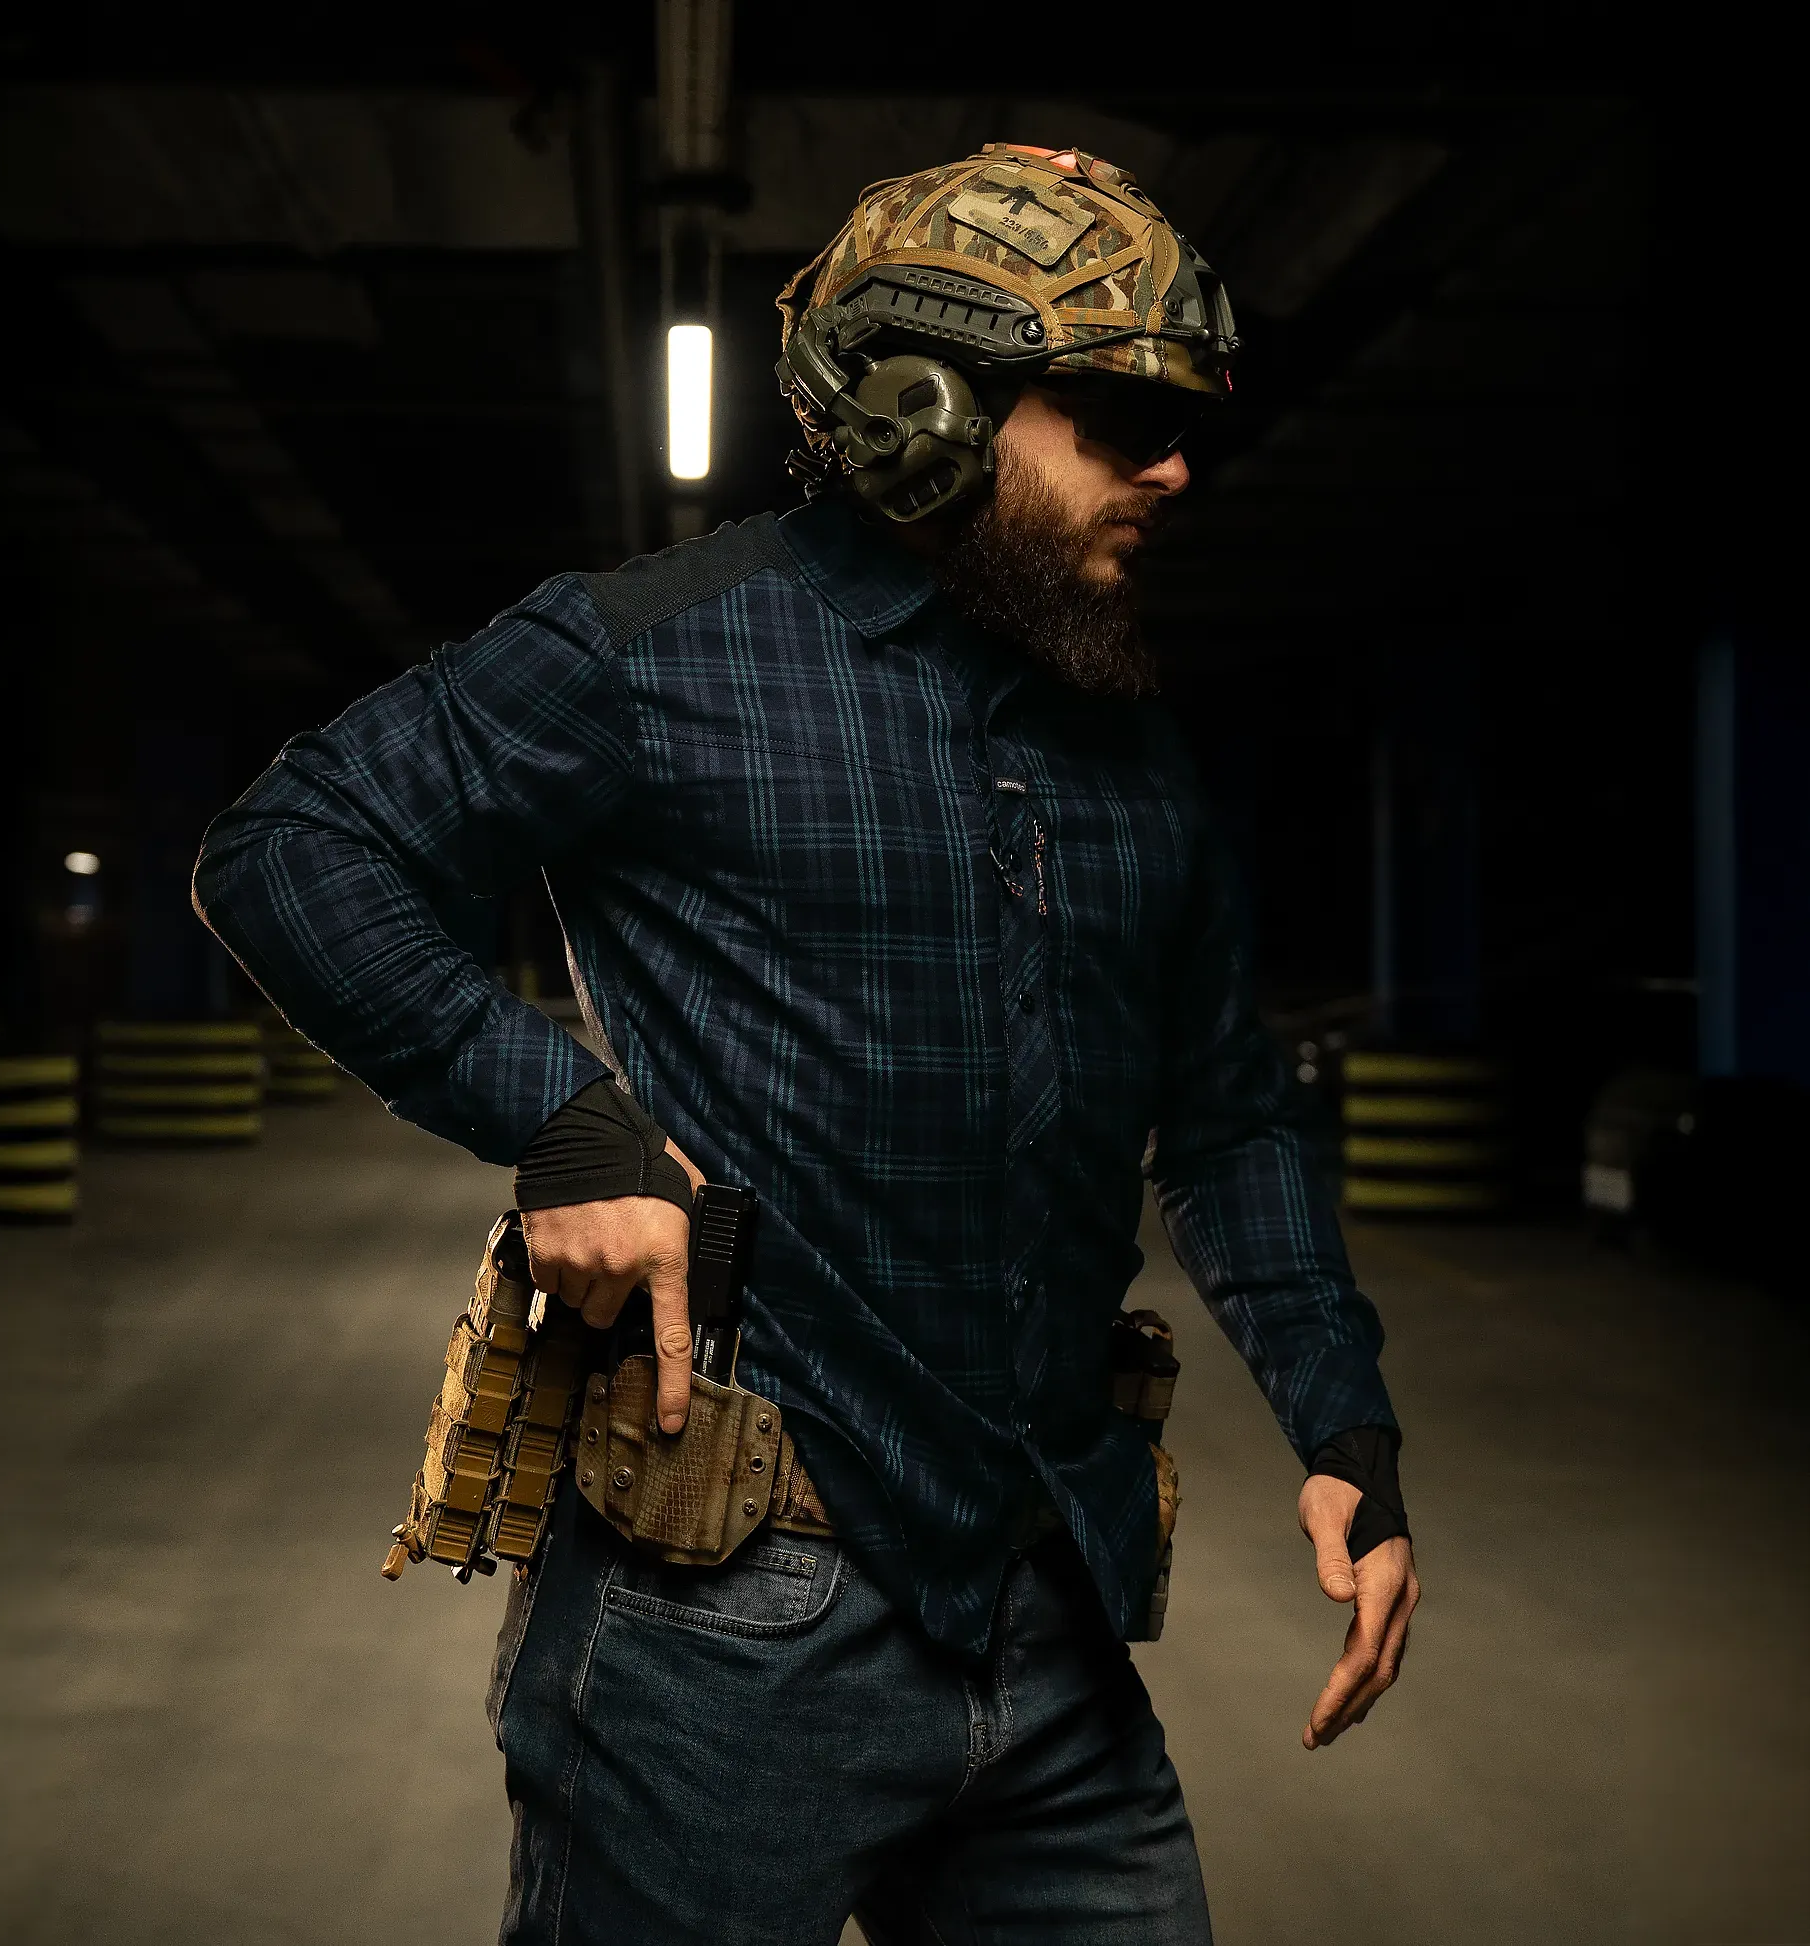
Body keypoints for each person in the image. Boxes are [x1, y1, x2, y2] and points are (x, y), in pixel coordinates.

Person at [194, 143, 1419, 1945]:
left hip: (1053, 1614)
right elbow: (292, 847)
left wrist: (1345, 1427)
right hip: (717, 1627)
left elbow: (1229, 1117)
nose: (1173, 469)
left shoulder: (1124, 731)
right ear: (928, 409)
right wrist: (564, 1119)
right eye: (1119, 418)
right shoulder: (649, 651)